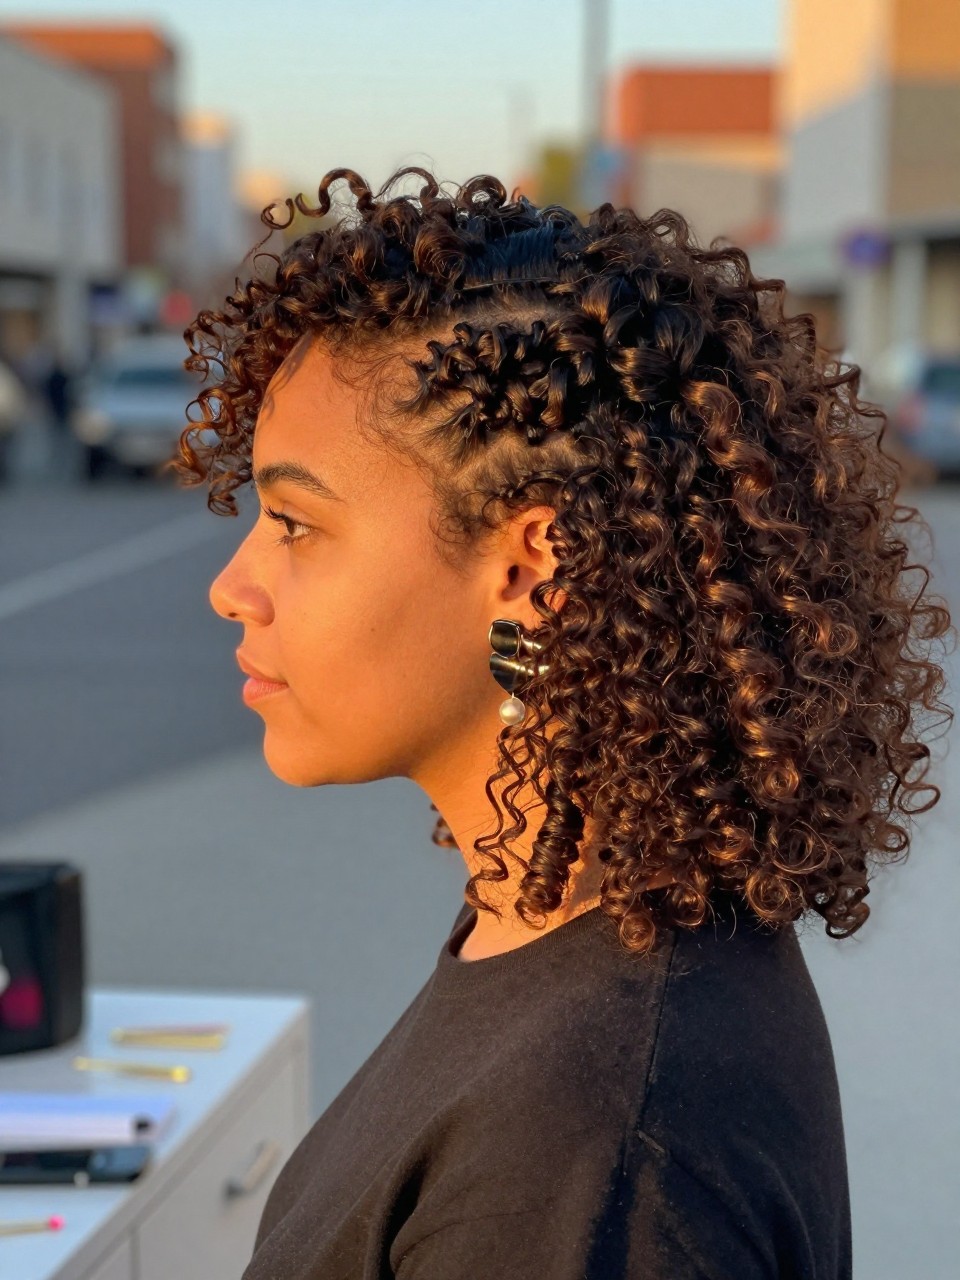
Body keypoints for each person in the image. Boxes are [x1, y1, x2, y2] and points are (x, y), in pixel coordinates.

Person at [167, 166, 954, 1278]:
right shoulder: (566, 939)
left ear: (532, 565)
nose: (232, 585)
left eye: (294, 522)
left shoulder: (589, 1151)